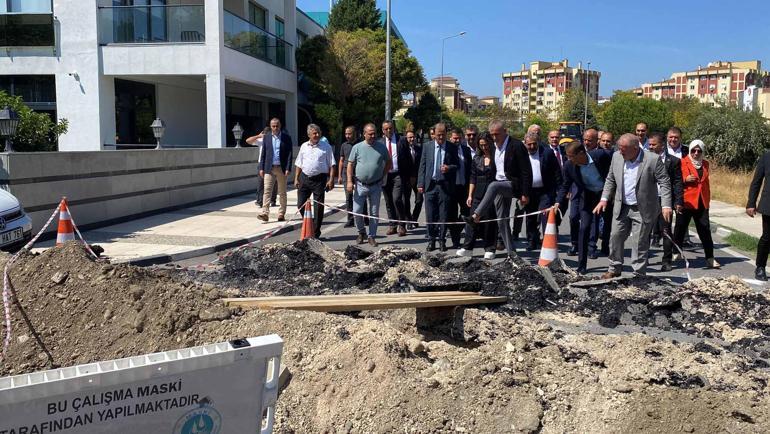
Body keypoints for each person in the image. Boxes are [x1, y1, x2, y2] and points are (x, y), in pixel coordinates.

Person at [594, 134, 672, 278]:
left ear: (635, 148)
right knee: (615, 237)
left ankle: (638, 274)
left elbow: (665, 182)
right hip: (622, 206)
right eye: (619, 148)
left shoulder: (652, 160)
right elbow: (610, 179)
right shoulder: (617, 157)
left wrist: (666, 205)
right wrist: (604, 199)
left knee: (639, 242)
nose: (620, 151)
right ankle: (614, 268)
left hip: (642, 208)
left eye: (623, 149)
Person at [466, 120, 532, 258]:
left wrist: (525, 193)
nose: (494, 137)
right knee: (502, 219)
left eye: (497, 134)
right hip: (499, 185)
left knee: (494, 186)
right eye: (492, 135)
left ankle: (476, 216)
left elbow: (526, 171)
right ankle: (512, 253)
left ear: (505, 131)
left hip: (513, 184)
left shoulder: (516, 145)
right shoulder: (494, 147)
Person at [554, 141, 612, 274]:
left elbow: (614, 169)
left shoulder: (600, 155)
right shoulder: (569, 166)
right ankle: (582, 265)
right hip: (588, 197)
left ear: (581, 153)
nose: (569, 159)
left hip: (606, 195)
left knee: (609, 226)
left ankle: (611, 259)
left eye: (571, 156)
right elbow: (565, 185)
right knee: (584, 228)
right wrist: (558, 202)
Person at [673, 140, 720, 269]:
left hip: (701, 201)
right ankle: (676, 252)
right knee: (680, 228)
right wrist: (685, 180)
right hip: (686, 201)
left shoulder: (705, 164)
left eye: (699, 151)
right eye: (694, 150)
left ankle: (710, 258)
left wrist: (708, 200)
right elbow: (676, 180)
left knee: (705, 230)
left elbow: (705, 183)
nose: (696, 153)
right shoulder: (682, 162)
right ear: (690, 150)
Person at [347, 123, 391, 246]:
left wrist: (382, 175)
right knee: (356, 211)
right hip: (360, 185)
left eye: (374, 133)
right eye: (370, 134)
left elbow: (388, 162)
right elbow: (350, 164)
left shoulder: (381, 147)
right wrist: (350, 181)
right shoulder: (357, 147)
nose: (372, 136)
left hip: (375, 185)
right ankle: (361, 232)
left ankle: (372, 236)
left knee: (374, 212)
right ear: (364, 134)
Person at [418, 123, 458, 252]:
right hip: (430, 185)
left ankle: (442, 241)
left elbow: (457, 165)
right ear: (434, 134)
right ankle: (431, 240)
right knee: (430, 215)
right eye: (438, 134)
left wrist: (449, 168)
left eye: (443, 134)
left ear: (446, 134)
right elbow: (422, 166)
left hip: (444, 186)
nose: (441, 137)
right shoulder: (427, 146)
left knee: (443, 215)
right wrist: (420, 184)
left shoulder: (452, 147)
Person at [457, 133, 498, 259]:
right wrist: (470, 195)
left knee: (488, 221)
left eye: (486, 144)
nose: (484, 147)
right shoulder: (476, 158)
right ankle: (467, 247)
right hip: (478, 192)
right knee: (472, 220)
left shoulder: (497, 156)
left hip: (492, 191)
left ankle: (490, 248)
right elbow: (472, 178)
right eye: (481, 145)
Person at [648, 132, 684, 271]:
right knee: (645, 230)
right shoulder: (644, 159)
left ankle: (667, 260)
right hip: (649, 200)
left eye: (653, 144)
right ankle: (642, 259)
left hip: (665, 200)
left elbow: (677, 182)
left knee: (666, 231)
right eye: (649, 144)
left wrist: (678, 201)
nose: (650, 147)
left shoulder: (673, 161)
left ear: (662, 145)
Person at [522, 132, 562, 251]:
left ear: (538, 143)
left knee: (545, 216)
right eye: (529, 144)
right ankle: (531, 241)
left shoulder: (547, 153)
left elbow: (556, 172)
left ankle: (547, 241)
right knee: (530, 218)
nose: (532, 147)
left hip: (545, 191)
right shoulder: (522, 155)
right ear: (525, 144)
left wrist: (560, 190)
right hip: (529, 192)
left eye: (534, 144)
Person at [294, 124, 335, 238]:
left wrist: (331, 180)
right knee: (300, 204)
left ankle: (315, 233)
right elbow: (299, 163)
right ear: (309, 135)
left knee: (318, 208)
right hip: (304, 178)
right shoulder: (303, 146)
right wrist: (296, 178)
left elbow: (332, 164)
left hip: (319, 180)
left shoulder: (326, 147)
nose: (317, 135)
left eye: (318, 133)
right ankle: (310, 223)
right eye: (314, 133)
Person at [257, 118, 293, 222]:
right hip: (269, 168)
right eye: (273, 126)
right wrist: (261, 168)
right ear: (270, 126)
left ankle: (281, 213)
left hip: (281, 168)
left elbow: (290, 154)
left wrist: (288, 168)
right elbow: (263, 153)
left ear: (280, 125)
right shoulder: (267, 138)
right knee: (267, 191)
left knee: (282, 192)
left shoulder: (286, 138)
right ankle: (265, 213)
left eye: (277, 126)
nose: (275, 128)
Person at [381, 120, 408, 236]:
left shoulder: (401, 140)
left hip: (398, 174)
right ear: (383, 130)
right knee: (388, 201)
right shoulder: (380, 142)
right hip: (385, 175)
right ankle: (392, 224)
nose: (389, 130)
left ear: (394, 129)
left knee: (397, 199)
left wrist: (410, 175)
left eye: (390, 128)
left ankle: (402, 225)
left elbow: (408, 158)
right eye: (386, 129)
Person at [747, 150, 770, 280]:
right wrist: (751, 203)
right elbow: (757, 181)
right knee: (767, 237)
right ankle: (760, 267)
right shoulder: (767, 156)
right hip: (769, 204)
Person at [449, 128, 472, 249]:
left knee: (466, 213)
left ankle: (457, 229)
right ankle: (455, 240)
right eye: (454, 138)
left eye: (458, 138)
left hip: (464, 187)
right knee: (451, 215)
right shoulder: (447, 150)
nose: (456, 140)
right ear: (450, 138)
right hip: (452, 188)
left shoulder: (466, 150)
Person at [247, 127, 277, 208]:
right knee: (260, 182)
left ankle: (272, 200)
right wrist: (258, 136)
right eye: (265, 133)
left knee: (273, 182)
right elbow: (248, 141)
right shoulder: (261, 140)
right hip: (262, 163)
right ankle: (260, 201)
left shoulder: (274, 140)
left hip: (272, 162)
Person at [338, 126, 362, 228]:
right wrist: (339, 175)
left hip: (358, 172)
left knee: (361, 195)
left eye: (349, 134)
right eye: (346, 134)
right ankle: (350, 219)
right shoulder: (344, 145)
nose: (347, 136)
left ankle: (364, 218)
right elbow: (341, 160)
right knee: (349, 197)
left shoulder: (360, 144)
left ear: (354, 134)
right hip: (346, 173)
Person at [402, 130, 423, 229]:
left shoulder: (419, 149)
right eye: (409, 137)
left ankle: (414, 218)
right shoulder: (403, 150)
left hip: (418, 178)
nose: (412, 139)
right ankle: (408, 220)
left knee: (419, 200)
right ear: (406, 139)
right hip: (407, 179)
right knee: (406, 200)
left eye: (413, 137)